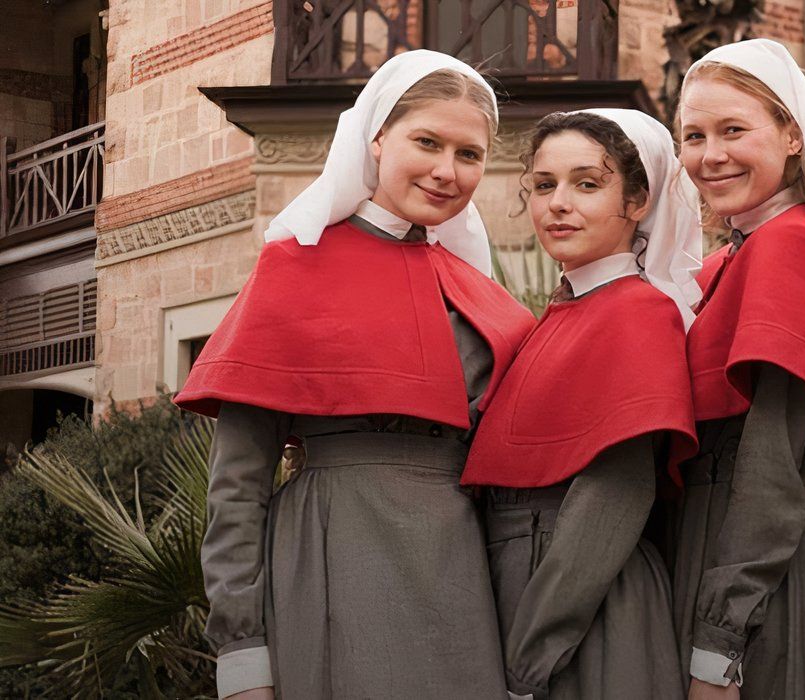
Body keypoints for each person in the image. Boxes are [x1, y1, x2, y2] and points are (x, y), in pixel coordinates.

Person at [175, 50, 536, 700]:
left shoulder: (483, 298)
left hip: (460, 584)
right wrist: (241, 654)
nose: (446, 171)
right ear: (375, 139)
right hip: (330, 562)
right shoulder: (293, 268)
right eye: (426, 141)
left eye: (469, 153)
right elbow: (237, 486)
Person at [461, 108, 703, 700]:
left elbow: (614, 496)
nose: (557, 204)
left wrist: (528, 660)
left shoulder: (638, 310)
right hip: (533, 586)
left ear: (639, 200)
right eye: (544, 185)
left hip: (585, 606)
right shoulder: (561, 312)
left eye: (587, 184)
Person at [671, 38, 805, 700]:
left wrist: (722, 638)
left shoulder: (790, 246)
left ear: (791, 135)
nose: (711, 155)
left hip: (754, 576)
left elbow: (773, 459)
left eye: (734, 129)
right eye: (694, 135)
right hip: (717, 548)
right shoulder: (738, 253)